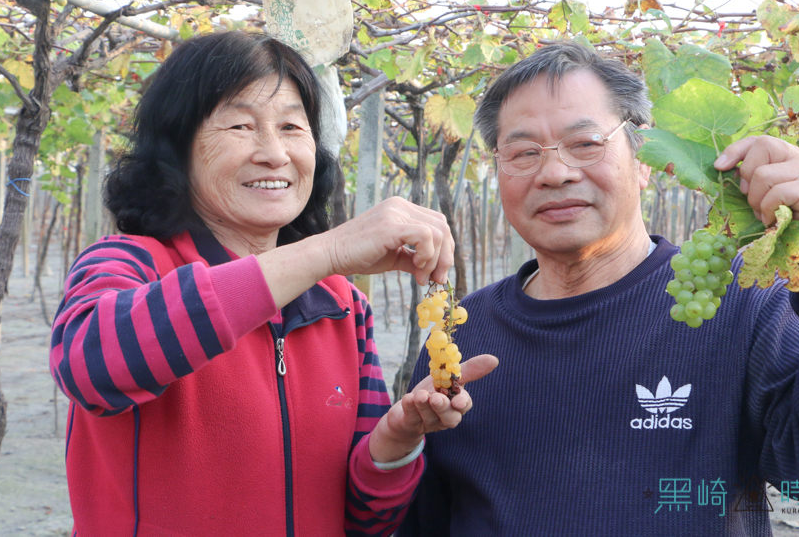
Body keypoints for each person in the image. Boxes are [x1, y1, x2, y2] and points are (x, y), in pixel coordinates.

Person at [397, 42, 799, 536]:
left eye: (586, 143)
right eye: (524, 152)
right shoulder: (462, 335)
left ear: (644, 160)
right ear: (499, 169)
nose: (554, 172)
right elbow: (426, 518)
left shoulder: (738, 305)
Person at [49, 31, 498, 537]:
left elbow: (364, 521)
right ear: (177, 148)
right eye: (241, 125)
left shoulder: (342, 307)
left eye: (291, 126)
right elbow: (90, 367)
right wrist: (324, 251)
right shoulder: (128, 265)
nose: (274, 153)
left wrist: (393, 443)